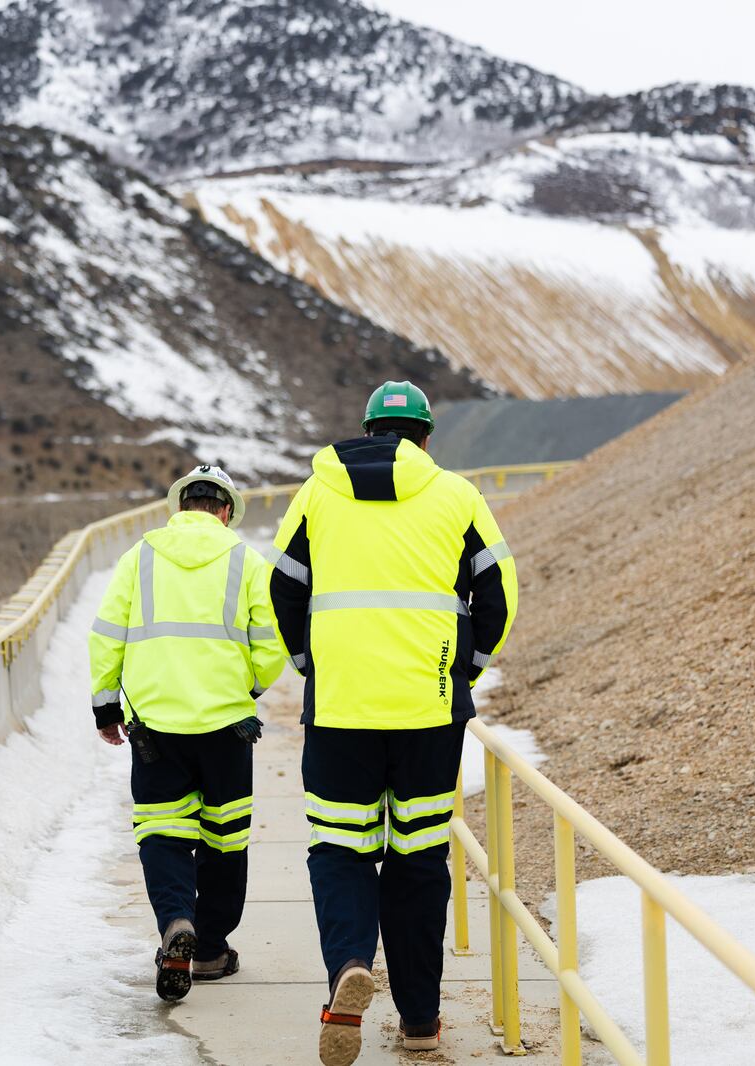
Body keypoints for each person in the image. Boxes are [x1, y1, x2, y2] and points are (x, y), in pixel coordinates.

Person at [265, 382, 517, 1064]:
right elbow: (500, 588)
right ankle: (420, 1022)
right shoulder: (457, 495)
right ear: (425, 437)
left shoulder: (317, 493)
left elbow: (283, 585)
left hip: (342, 708)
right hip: (429, 714)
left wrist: (308, 660)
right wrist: (468, 668)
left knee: (341, 848)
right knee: (418, 860)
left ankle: (349, 963)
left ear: (369, 430)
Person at [89, 464, 286, 1002]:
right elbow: (273, 646)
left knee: (163, 832)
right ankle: (211, 949)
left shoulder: (139, 558)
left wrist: (107, 706)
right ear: (225, 512)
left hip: (155, 726)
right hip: (226, 727)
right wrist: (245, 687)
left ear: (180, 509)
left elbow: (106, 634)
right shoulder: (247, 561)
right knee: (225, 839)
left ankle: (176, 920)